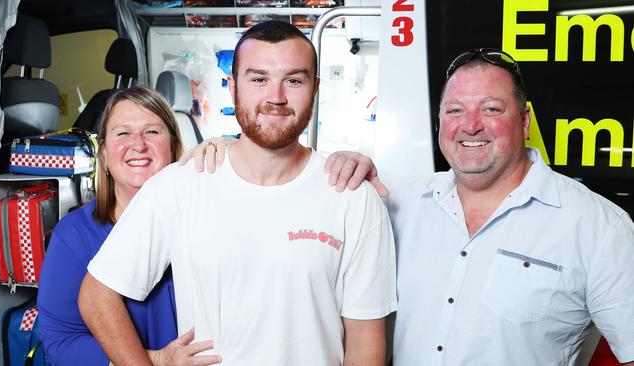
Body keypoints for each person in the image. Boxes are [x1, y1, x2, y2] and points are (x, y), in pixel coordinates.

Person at [78, 21, 397, 366]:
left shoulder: (352, 196)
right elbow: (97, 295)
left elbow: (366, 344)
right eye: (259, 79)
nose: (276, 97)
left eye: (293, 80)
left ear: (315, 88)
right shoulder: (181, 185)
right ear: (233, 89)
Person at [386, 49, 634, 365]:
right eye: (455, 110)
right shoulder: (402, 206)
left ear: (525, 120)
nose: (470, 125)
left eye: (491, 108)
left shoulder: (600, 227)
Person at [37, 86, 222, 366]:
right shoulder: (73, 236)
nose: (138, 145)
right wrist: (155, 360)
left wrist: (233, 151)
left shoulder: (204, 218)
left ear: (173, 146)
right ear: (104, 153)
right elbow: (62, 342)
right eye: (123, 133)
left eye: (152, 132)